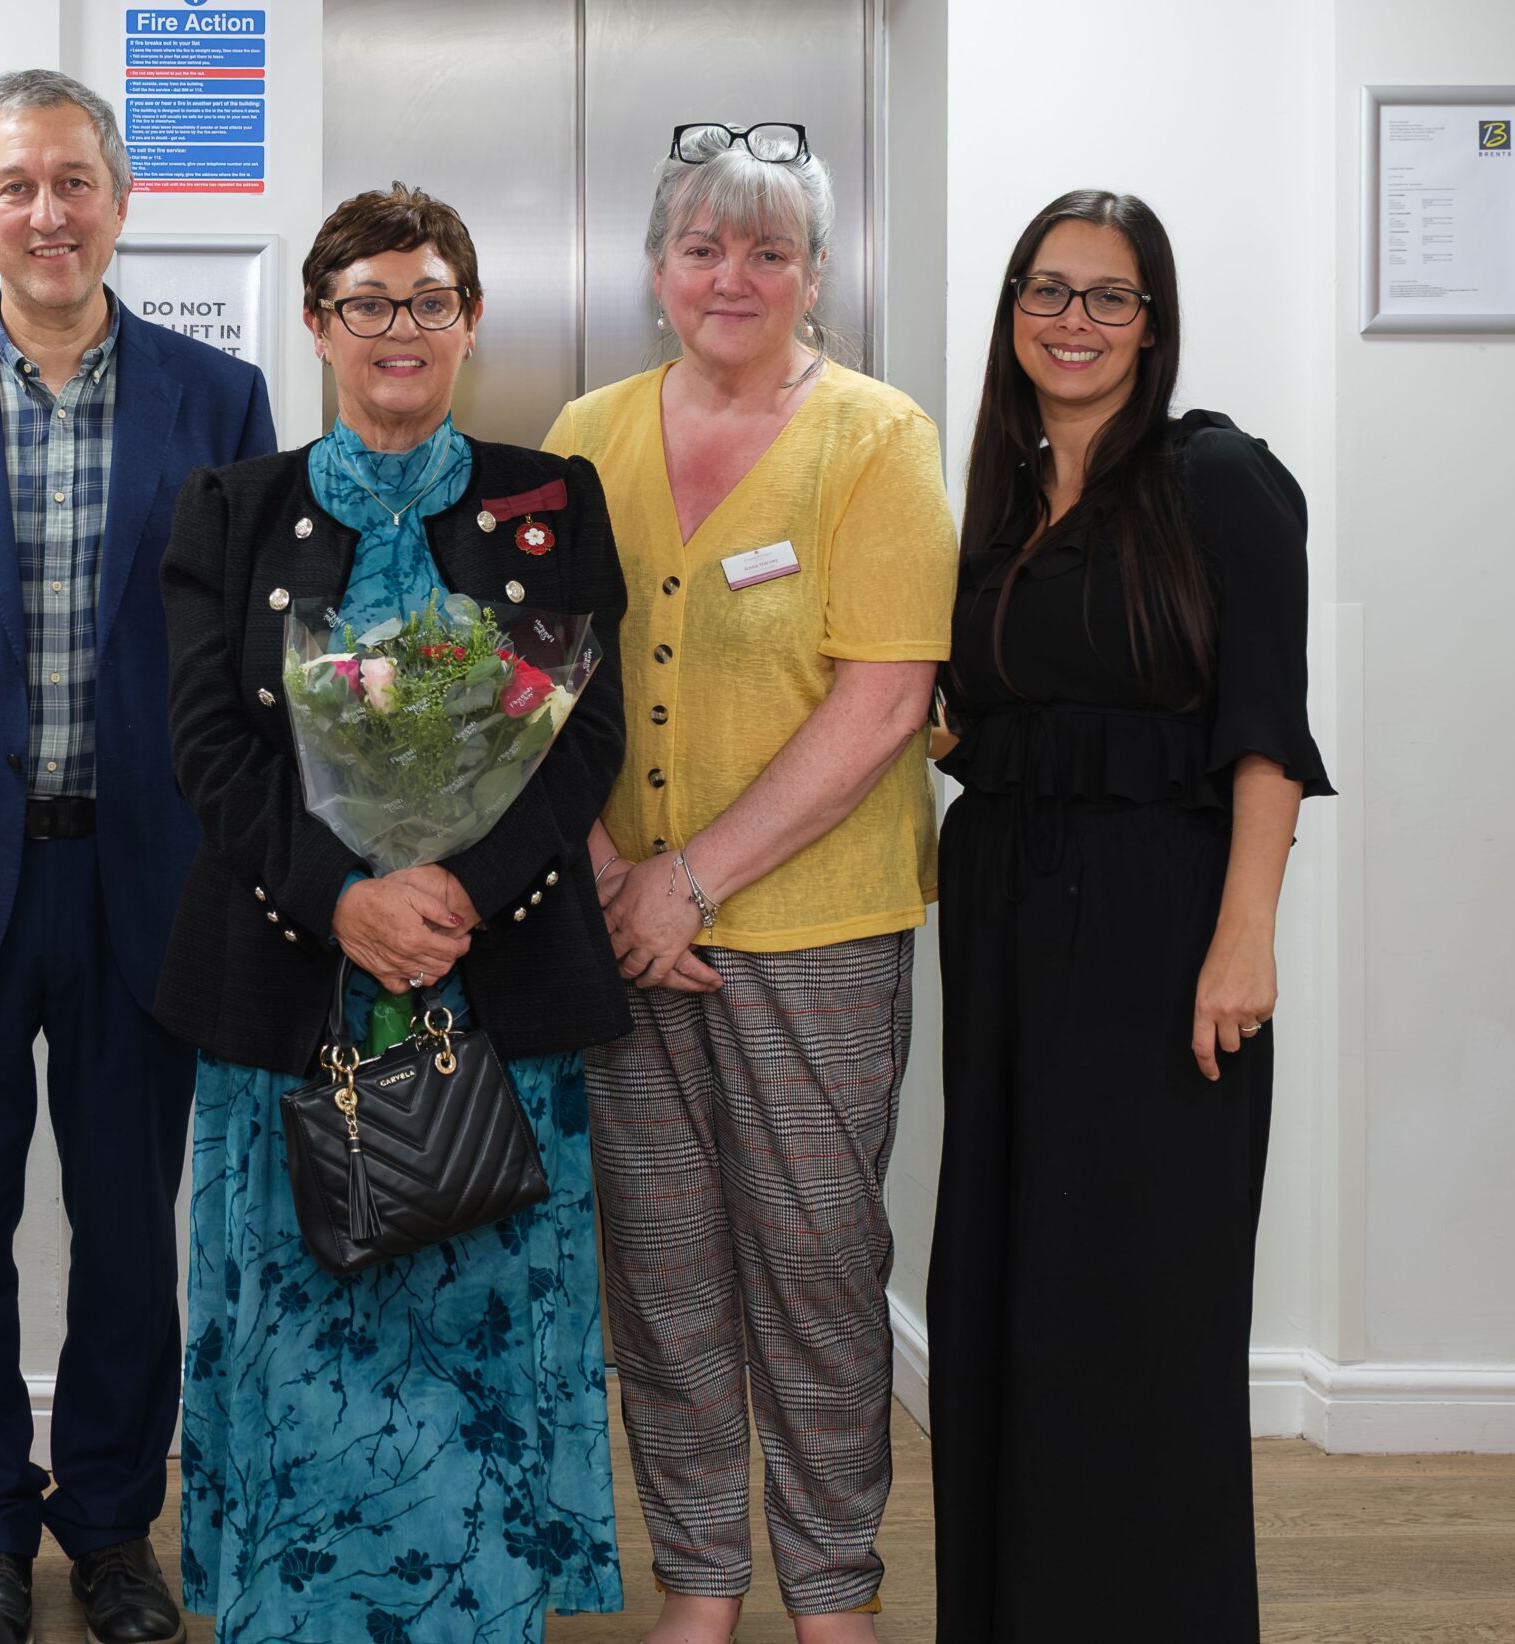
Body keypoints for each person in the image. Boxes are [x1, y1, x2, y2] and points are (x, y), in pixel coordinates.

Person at [0, 68, 272, 1644]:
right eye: (17, 185)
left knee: (129, 1229)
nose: (48, 212)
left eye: (75, 181)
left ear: (121, 204)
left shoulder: (219, 402)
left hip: (146, 878)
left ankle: (112, 1525)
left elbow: (242, 646)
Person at [158, 183, 628, 1643]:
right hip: (290, 990)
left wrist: (460, 896)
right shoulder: (232, 510)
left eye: (429, 300)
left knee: (485, 1330)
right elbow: (208, 749)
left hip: (494, 990)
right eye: (368, 303)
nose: (399, 329)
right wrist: (346, 901)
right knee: (298, 1326)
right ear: (319, 325)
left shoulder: (552, 500)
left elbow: (588, 742)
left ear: (470, 321)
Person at [544, 124, 955, 1641]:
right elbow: (541, 672)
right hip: (617, 930)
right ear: (658, 272)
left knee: (818, 1264)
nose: (733, 277)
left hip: (816, 931)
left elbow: (886, 698)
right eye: (703, 248)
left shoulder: (876, 439)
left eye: (768, 251)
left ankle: (834, 1591)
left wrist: (690, 883)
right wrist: (610, 878)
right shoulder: (586, 432)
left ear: (816, 276)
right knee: (660, 1270)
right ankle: (703, 1584)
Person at [925, 190, 1333, 1641]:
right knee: (1008, 1287)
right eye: (1048, 290)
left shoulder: (1219, 480)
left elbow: (1267, 733)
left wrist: (1245, 939)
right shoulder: (997, 495)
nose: (1075, 321)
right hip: (1006, 926)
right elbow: (986, 714)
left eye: (1110, 296)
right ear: (1011, 313)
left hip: (1162, 933)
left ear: (1153, 324)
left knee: (1142, 1301)